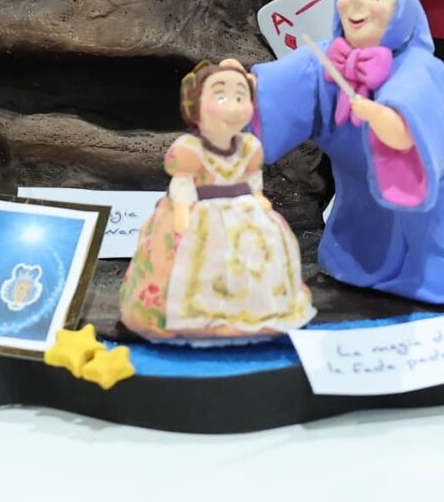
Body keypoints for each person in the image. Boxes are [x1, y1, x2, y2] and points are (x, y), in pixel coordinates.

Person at [252, 0, 444, 304]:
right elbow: (282, 90)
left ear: (400, 12)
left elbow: (411, 128)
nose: (359, 2)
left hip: (440, 237)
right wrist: (241, 97)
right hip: (362, 226)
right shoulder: (329, 59)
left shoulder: (419, 69)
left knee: (441, 254)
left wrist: (381, 117)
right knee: (360, 243)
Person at [119, 59, 314, 343]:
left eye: (240, 97)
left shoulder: (249, 146)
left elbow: (252, 178)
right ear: (195, 104)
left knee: (258, 255)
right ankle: (195, 317)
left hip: (244, 212)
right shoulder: (190, 150)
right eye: (221, 96)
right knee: (196, 261)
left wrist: (258, 197)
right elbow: (183, 183)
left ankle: (254, 313)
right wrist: (182, 209)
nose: (233, 107)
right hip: (200, 212)